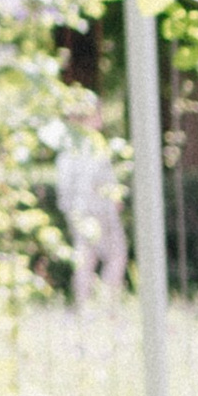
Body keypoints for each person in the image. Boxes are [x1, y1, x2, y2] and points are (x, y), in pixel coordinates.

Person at [51, 99, 124, 311]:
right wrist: (113, 199)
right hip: (100, 210)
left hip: (78, 212)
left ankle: (85, 307)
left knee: (85, 257)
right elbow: (104, 182)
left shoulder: (67, 148)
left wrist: (70, 211)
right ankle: (108, 305)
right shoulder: (93, 145)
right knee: (116, 255)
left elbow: (64, 189)